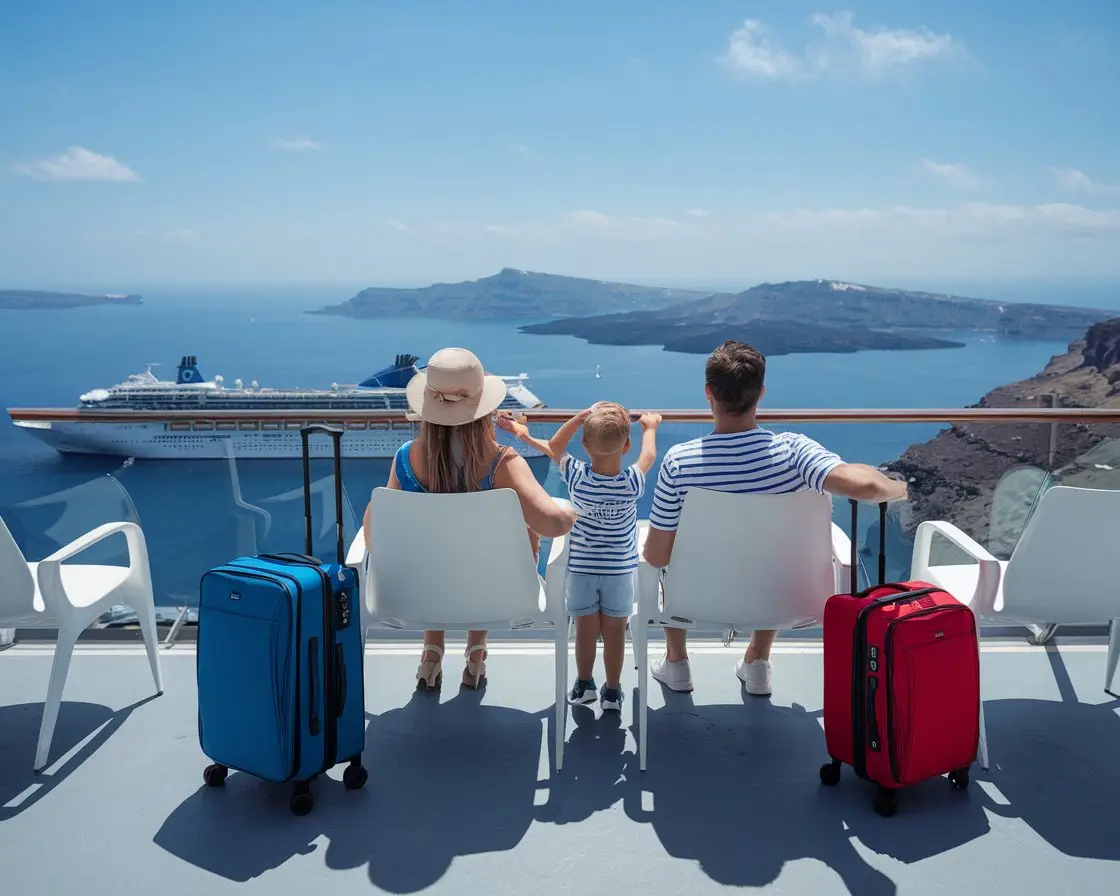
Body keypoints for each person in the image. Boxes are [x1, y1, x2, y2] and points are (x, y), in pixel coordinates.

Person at [641, 340, 909, 697]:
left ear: (709, 393)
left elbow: (657, 556)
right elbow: (867, 487)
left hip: (696, 601)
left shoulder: (679, 462)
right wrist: (899, 487)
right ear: (760, 393)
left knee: (664, 549)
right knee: (771, 553)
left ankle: (676, 662)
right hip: (781, 598)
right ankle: (758, 662)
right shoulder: (795, 452)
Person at [362, 347, 577, 690]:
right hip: (497, 597)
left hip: (415, 596)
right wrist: (570, 509)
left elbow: (374, 535)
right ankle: (476, 654)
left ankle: (431, 654)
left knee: (436, 556)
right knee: (499, 547)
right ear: (485, 410)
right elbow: (553, 523)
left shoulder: (405, 458)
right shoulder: (504, 464)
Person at [500, 403, 660, 711]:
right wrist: (650, 428)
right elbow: (648, 457)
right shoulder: (632, 483)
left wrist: (580, 416)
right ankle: (612, 691)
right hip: (619, 573)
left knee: (586, 630)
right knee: (615, 632)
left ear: (585, 445)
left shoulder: (577, 477)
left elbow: (556, 446)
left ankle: (585, 684)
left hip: (583, 570)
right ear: (626, 447)